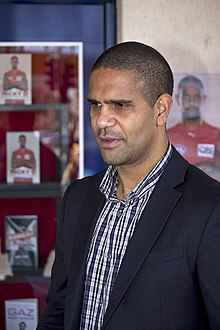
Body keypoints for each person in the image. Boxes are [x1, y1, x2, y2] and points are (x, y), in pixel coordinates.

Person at [37, 42, 220, 329]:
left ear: (161, 110)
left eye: (120, 105)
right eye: (95, 105)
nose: (101, 121)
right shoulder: (78, 197)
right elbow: (58, 311)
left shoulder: (210, 207)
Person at [167, 75, 220, 179]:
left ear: (202, 99)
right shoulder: (167, 136)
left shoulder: (217, 134)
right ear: (178, 99)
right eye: (187, 97)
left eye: (195, 97)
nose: (191, 102)